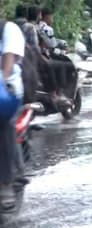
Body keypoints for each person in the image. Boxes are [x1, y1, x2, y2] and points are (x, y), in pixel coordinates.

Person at [0, 19, 25, 210]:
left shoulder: (9, 29)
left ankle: (5, 184)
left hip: (6, 89)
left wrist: (2, 80)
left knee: (3, 125)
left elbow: (8, 59)